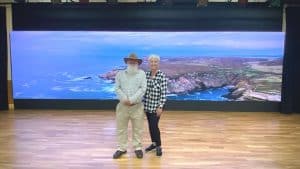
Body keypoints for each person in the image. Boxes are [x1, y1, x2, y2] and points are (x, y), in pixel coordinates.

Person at [113, 53, 147, 159]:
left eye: (134, 61)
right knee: (121, 128)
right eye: (130, 61)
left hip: (137, 106)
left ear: (137, 63)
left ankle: (137, 148)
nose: (132, 62)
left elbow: (143, 88)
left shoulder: (142, 74)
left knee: (138, 128)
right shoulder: (120, 74)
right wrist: (125, 99)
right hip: (122, 106)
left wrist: (131, 100)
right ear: (127, 62)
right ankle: (121, 148)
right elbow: (117, 88)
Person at [144, 54, 167, 156]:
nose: (153, 63)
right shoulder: (146, 74)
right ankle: (153, 143)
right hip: (147, 106)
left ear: (158, 63)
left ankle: (159, 146)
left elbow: (164, 93)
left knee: (154, 126)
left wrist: (160, 106)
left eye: (155, 61)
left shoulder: (162, 76)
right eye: (151, 61)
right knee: (150, 126)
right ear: (149, 63)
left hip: (156, 107)